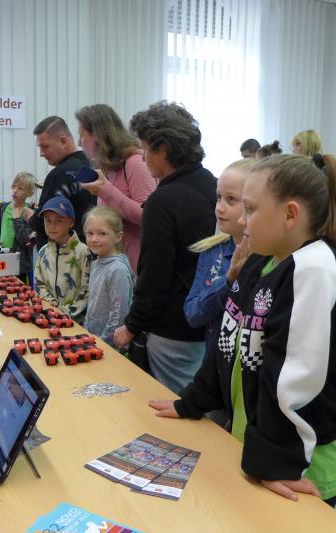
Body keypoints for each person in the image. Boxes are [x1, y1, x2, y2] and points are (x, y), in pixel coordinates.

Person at [150, 154, 336, 509]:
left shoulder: (313, 270)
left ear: (290, 215)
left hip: (299, 460)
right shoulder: (260, 260)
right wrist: (193, 401)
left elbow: (296, 378)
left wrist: (275, 460)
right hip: (262, 444)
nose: (241, 219)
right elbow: (228, 342)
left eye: (250, 209)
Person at [113, 101, 216, 394]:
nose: (143, 158)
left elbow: (155, 275)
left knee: (171, 407)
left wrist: (132, 326)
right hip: (207, 322)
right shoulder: (214, 186)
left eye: (146, 149)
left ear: (164, 149)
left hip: (172, 331)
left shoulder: (163, 201)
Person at [184, 158, 256, 356]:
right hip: (214, 363)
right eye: (218, 198)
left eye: (231, 199)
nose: (219, 207)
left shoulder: (268, 257)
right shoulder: (212, 250)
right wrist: (227, 281)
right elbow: (192, 314)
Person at [75, 104, 156, 272]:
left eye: (82, 135)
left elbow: (148, 216)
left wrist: (104, 190)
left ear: (97, 135)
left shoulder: (134, 162)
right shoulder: (110, 168)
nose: (79, 143)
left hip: (136, 267)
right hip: (114, 266)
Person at [29, 116, 95, 247]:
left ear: (63, 141)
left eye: (45, 146)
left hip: (65, 253)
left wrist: (30, 218)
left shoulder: (59, 174)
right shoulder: (93, 165)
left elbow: (43, 220)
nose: (41, 153)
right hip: (90, 247)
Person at [83, 206, 135, 348]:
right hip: (93, 342)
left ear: (118, 236)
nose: (94, 239)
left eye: (102, 234)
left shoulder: (117, 270)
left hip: (109, 348)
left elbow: (118, 316)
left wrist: (103, 344)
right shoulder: (96, 263)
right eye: (90, 233)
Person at [34, 196, 91, 323]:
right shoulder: (43, 251)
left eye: (59, 221)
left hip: (75, 322)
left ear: (71, 222)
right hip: (49, 316)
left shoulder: (83, 252)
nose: (52, 226)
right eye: (48, 221)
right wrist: (51, 306)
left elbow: (87, 291)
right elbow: (39, 284)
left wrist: (65, 313)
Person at [0, 171, 37, 281]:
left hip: (20, 265)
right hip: (2, 259)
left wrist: (17, 219)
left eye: (20, 188)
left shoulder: (30, 212)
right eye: (14, 186)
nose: (15, 190)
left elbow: (25, 241)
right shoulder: (3, 207)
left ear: (29, 192)